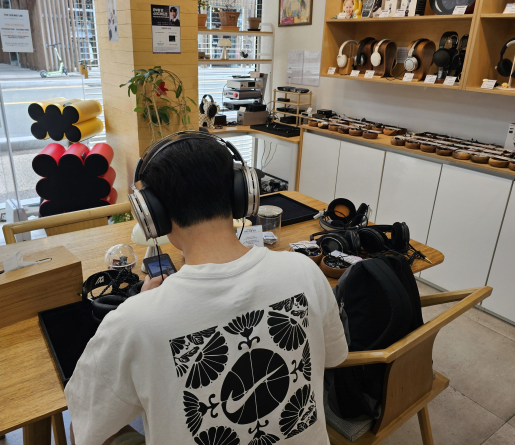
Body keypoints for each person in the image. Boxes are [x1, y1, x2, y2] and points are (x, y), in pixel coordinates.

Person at [65, 133, 347, 445]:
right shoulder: (305, 270)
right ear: (242, 195)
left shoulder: (133, 323)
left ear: (153, 215)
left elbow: (85, 426)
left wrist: (145, 310)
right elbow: (334, 357)